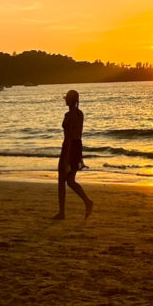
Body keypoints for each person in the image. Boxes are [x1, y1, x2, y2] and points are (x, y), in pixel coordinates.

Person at [53, 89, 92, 220]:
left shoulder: (69, 116)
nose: (65, 101)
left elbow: (69, 137)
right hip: (77, 147)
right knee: (70, 180)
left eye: (67, 99)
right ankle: (86, 201)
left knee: (62, 180)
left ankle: (62, 212)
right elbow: (77, 136)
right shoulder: (80, 114)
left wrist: (65, 158)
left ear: (70, 101)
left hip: (69, 147)